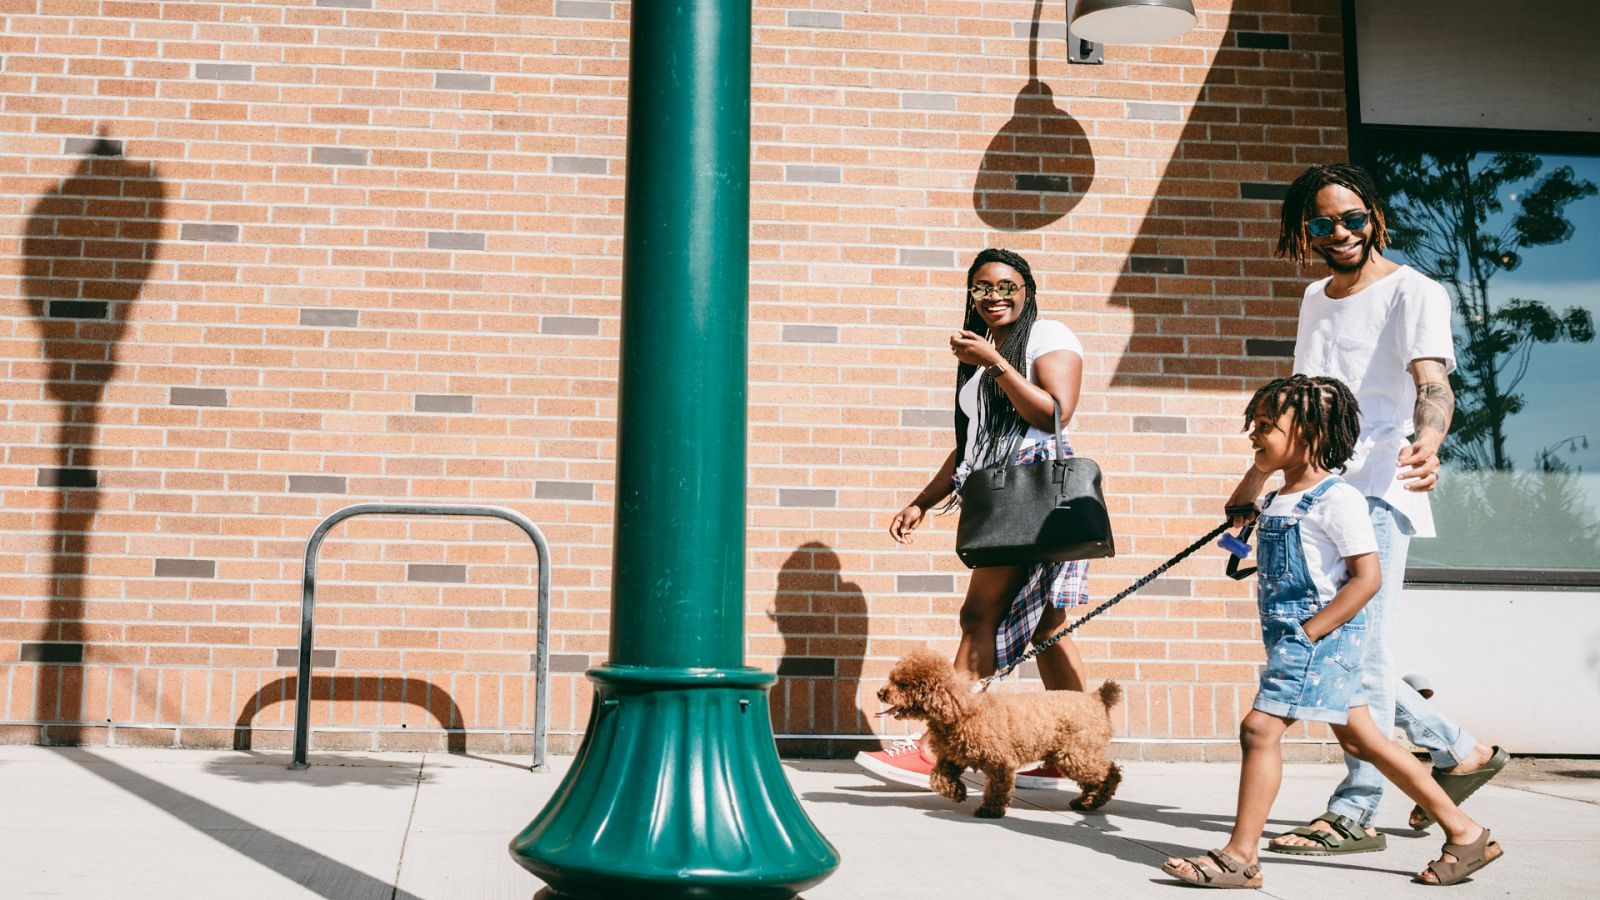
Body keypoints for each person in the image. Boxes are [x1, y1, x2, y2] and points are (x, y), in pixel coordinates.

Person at [1225, 164, 1504, 854]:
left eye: (1352, 218)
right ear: (1304, 231)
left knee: (1360, 653)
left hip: (1380, 483)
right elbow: (1300, 407)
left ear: (1375, 215)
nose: (1339, 233)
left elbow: (1432, 383)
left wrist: (1431, 439)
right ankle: (1457, 750)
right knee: (1347, 654)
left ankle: (1354, 810)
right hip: (1316, 489)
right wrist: (1255, 483)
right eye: (1321, 223)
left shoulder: (1415, 290)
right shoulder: (1316, 298)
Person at [1162, 375, 1502, 889]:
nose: (1254, 435)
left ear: (1312, 435)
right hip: (1298, 635)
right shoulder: (1281, 495)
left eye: (1265, 426)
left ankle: (1240, 856)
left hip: (1319, 635)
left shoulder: (1336, 499)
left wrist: (1308, 632)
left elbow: (1368, 579)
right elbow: (1237, 511)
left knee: (1259, 730)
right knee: (1366, 739)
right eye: (1251, 425)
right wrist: (1255, 479)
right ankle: (1466, 832)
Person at [855, 248, 1091, 791]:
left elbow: (1053, 413)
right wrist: (921, 500)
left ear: (1027, 290)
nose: (994, 296)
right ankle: (1069, 746)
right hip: (995, 490)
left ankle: (938, 747)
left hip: (1032, 489)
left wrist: (996, 363)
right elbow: (968, 448)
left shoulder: (1045, 335)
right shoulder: (977, 359)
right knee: (1047, 627)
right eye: (982, 288)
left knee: (978, 617)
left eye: (1006, 285)